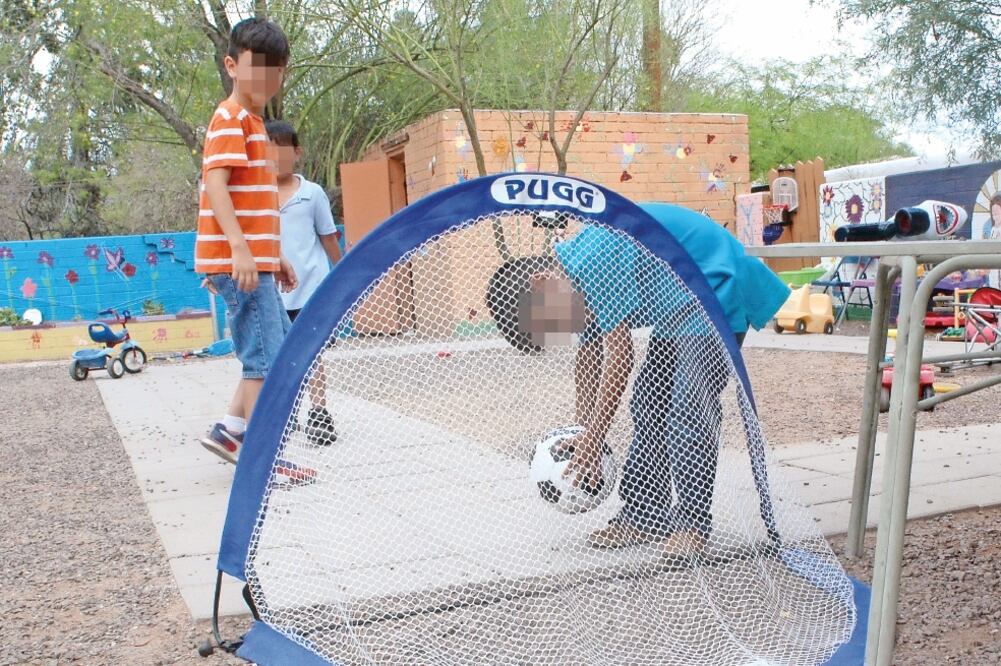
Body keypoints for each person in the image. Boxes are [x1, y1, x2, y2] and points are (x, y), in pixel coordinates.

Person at [516, 203, 789, 556]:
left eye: (553, 324)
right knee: (649, 402)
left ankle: (692, 524)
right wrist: (585, 432)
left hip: (714, 288)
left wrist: (595, 439)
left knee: (688, 409)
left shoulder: (593, 260)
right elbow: (588, 358)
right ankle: (645, 516)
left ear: (542, 282)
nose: (564, 329)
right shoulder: (573, 281)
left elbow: (620, 359)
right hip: (678, 308)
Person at [196, 18, 300, 467]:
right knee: (264, 361)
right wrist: (239, 249)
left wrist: (272, 254)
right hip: (240, 263)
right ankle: (263, 460)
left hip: (255, 261)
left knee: (279, 345)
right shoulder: (230, 119)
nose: (266, 80)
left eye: (275, 72)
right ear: (232, 66)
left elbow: (252, 201)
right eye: (257, 68)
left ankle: (230, 430)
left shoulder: (256, 124)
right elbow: (215, 185)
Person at [266, 119, 342, 444]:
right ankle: (286, 413)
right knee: (278, 357)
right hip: (271, 293)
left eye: (281, 150)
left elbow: (328, 238)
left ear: (297, 152)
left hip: (311, 287)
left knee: (312, 354)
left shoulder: (312, 194)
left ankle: (320, 413)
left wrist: (345, 277)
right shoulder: (257, 196)